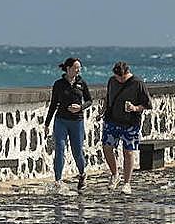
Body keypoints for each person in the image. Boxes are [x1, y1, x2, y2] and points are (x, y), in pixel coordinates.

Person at [101, 60, 153, 194]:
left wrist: (135, 108)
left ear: (127, 73)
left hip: (130, 123)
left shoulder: (137, 83)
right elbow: (108, 98)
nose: (119, 80)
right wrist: (103, 109)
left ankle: (127, 183)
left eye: (121, 78)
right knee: (107, 148)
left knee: (128, 152)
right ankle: (115, 175)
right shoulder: (112, 81)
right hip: (112, 120)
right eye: (117, 77)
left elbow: (147, 104)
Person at [44, 56, 92, 195]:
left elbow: (89, 101)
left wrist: (80, 107)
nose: (78, 71)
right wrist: (47, 123)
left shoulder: (81, 83)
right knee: (59, 149)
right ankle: (58, 180)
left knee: (77, 152)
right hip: (61, 120)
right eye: (76, 68)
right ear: (68, 68)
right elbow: (53, 104)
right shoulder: (58, 84)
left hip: (77, 121)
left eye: (79, 68)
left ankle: (82, 175)